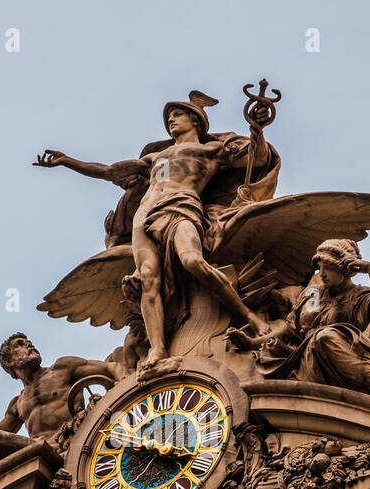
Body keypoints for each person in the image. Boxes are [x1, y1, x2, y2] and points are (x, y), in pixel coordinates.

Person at [36, 92, 276, 368]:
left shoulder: (211, 151)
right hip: (145, 216)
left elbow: (257, 159)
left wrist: (257, 128)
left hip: (181, 207)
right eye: (169, 118)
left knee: (193, 261)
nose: (171, 121)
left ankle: (250, 318)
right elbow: (109, 171)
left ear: (196, 120)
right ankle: (158, 349)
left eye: (177, 115)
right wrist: (68, 161)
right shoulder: (156, 158)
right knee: (148, 282)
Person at [226, 239, 370, 399]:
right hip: (318, 360)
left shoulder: (360, 296)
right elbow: (290, 330)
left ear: (346, 268)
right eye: (319, 268)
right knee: (324, 337)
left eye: (327, 267)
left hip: (360, 352)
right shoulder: (317, 297)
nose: (322, 274)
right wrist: (251, 343)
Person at [0, 334, 121, 489]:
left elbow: (112, 368)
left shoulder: (63, 368)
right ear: (9, 362)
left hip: (65, 444)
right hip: (35, 449)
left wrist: (127, 383)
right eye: (20, 344)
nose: (29, 345)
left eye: (29, 342)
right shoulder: (18, 402)